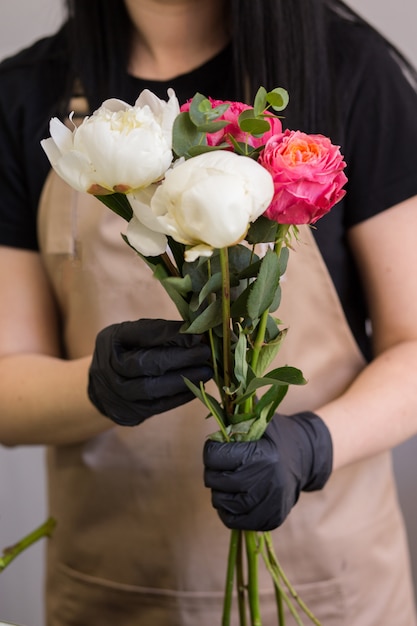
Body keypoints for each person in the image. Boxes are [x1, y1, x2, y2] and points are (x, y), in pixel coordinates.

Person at [1, 1, 417, 624]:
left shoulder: (348, 70)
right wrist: (95, 386)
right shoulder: (28, 94)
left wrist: (311, 446)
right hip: (113, 593)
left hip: (328, 592)